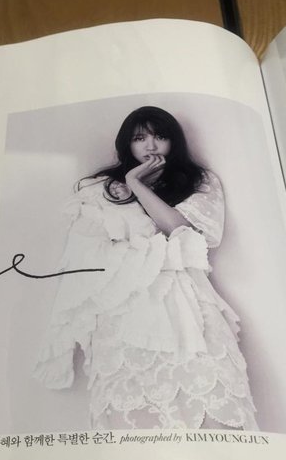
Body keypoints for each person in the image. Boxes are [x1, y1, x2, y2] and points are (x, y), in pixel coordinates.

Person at [34, 106, 258, 430]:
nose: (151, 146)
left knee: (211, 398)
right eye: (140, 138)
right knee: (133, 419)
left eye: (160, 136)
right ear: (127, 144)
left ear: (174, 141)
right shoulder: (98, 189)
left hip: (186, 301)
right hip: (122, 310)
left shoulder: (200, 181)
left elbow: (181, 230)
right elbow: (84, 259)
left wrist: (136, 184)